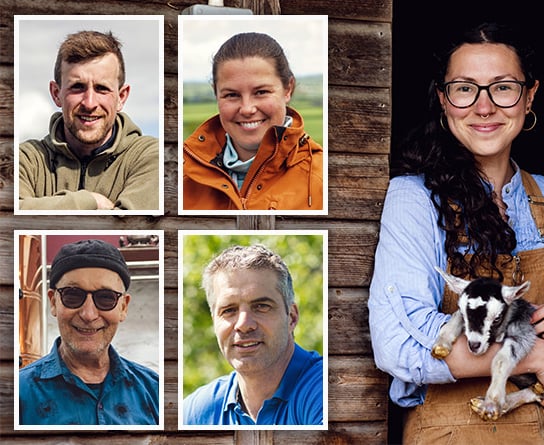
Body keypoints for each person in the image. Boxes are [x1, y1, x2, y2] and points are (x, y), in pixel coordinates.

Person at [368, 22, 544, 444]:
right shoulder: (414, 199)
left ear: (529, 97)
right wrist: (538, 354)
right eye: (465, 88)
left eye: (503, 88)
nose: (484, 107)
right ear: (443, 99)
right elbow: (398, 342)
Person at [18, 239, 159, 425]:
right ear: (53, 302)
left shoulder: (155, 390)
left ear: (123, 307)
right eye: (73, 295)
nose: (88, 314)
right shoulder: (18, 393)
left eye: (106, 298)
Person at [18, 30, 159, 211]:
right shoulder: (26, 159)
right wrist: (91, 201)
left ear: (121, 97)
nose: (89, 103)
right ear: (56, 93)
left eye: (101, 88)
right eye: (77, 87)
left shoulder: (150, 156)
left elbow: (131, 225)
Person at [183, 244, 323, 425]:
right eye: (229, 310)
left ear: (292, 317)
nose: (243, 325)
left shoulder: (326, 390)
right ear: (214, 321)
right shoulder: (196, 413)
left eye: (261, 307)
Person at [182, 32, 323, 211]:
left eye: (261, 92)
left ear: (288, 89)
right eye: (232, 95)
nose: (247, 109)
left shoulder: (322, 177)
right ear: (216, 93)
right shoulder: (182, 173)